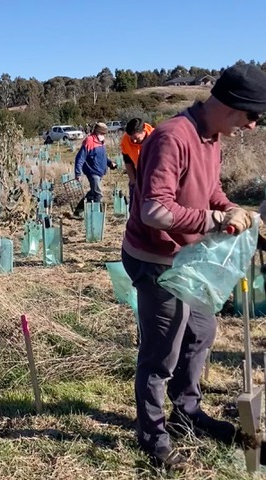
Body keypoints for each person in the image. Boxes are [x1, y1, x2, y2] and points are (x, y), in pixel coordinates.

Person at [121, 63, 266, 470]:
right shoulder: (172, 137)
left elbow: (211, 188)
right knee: (161, 354)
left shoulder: (212, 137)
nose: (253, 126)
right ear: (232, 104)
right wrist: (214, 221)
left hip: (186, 258)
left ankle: (187, 411)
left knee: (202, 330)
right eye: (252, 115)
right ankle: (153, 438)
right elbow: (154, 210)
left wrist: (230, 206)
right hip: (155, 260)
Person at [74, 122, 117, 204]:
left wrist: (110, 163)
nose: (104, 135)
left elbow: (101, 156)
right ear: (97, 132)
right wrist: (78, 173)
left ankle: (79, 210)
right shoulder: (89, 141)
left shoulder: (101, 141)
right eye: (102, 133)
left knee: (92, 192)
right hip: (92, 172)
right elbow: (80, 158)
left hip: (100, 171)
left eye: (104, 134)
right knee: (98, 194)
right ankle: (97, 214)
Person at [120, 118, 154, 207]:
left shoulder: (156, 137)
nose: (134, 141)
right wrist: (133, 182)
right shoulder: (126, 140)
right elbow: (128, 162)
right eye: (132, 138)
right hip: (137, 172)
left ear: (144, 131)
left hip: (154, 175)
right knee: (134, 208)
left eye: (137, 138)